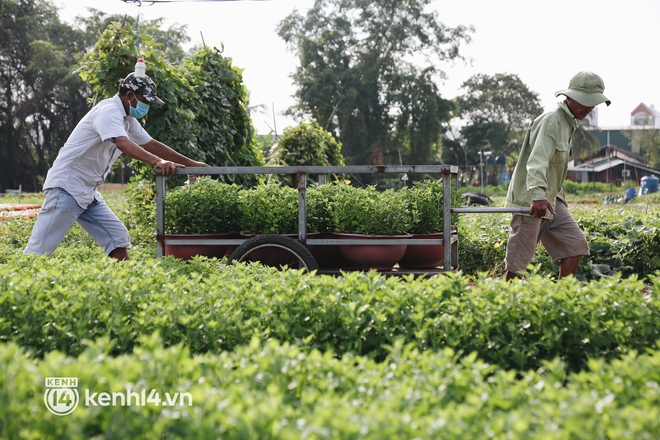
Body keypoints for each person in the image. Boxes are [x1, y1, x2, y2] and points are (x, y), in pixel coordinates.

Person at [23, 72, 208, 260]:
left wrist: (192, 164)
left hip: (87, 190)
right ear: (129, 96)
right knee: (39, 249)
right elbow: (123, 143)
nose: (146, 106)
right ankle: (20, 285)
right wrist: (157, 161)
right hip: (67, 186)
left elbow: (151, 144)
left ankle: (124, 284)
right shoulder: (109, 111)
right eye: (145, 100)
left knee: (116, 236)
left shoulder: (127, 119)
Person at [504, 71, 610, 280]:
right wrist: (537, 196)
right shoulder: (552, 121)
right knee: (518, 264)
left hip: (552, 200)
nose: (590, 108)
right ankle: (505, 306)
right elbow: (537, 162)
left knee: (574, 245)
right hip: (533, 201)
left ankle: (560, 301)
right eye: (587, 102)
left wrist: (552, 197)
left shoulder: (568, 123)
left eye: (593, 103)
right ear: (570, 97)